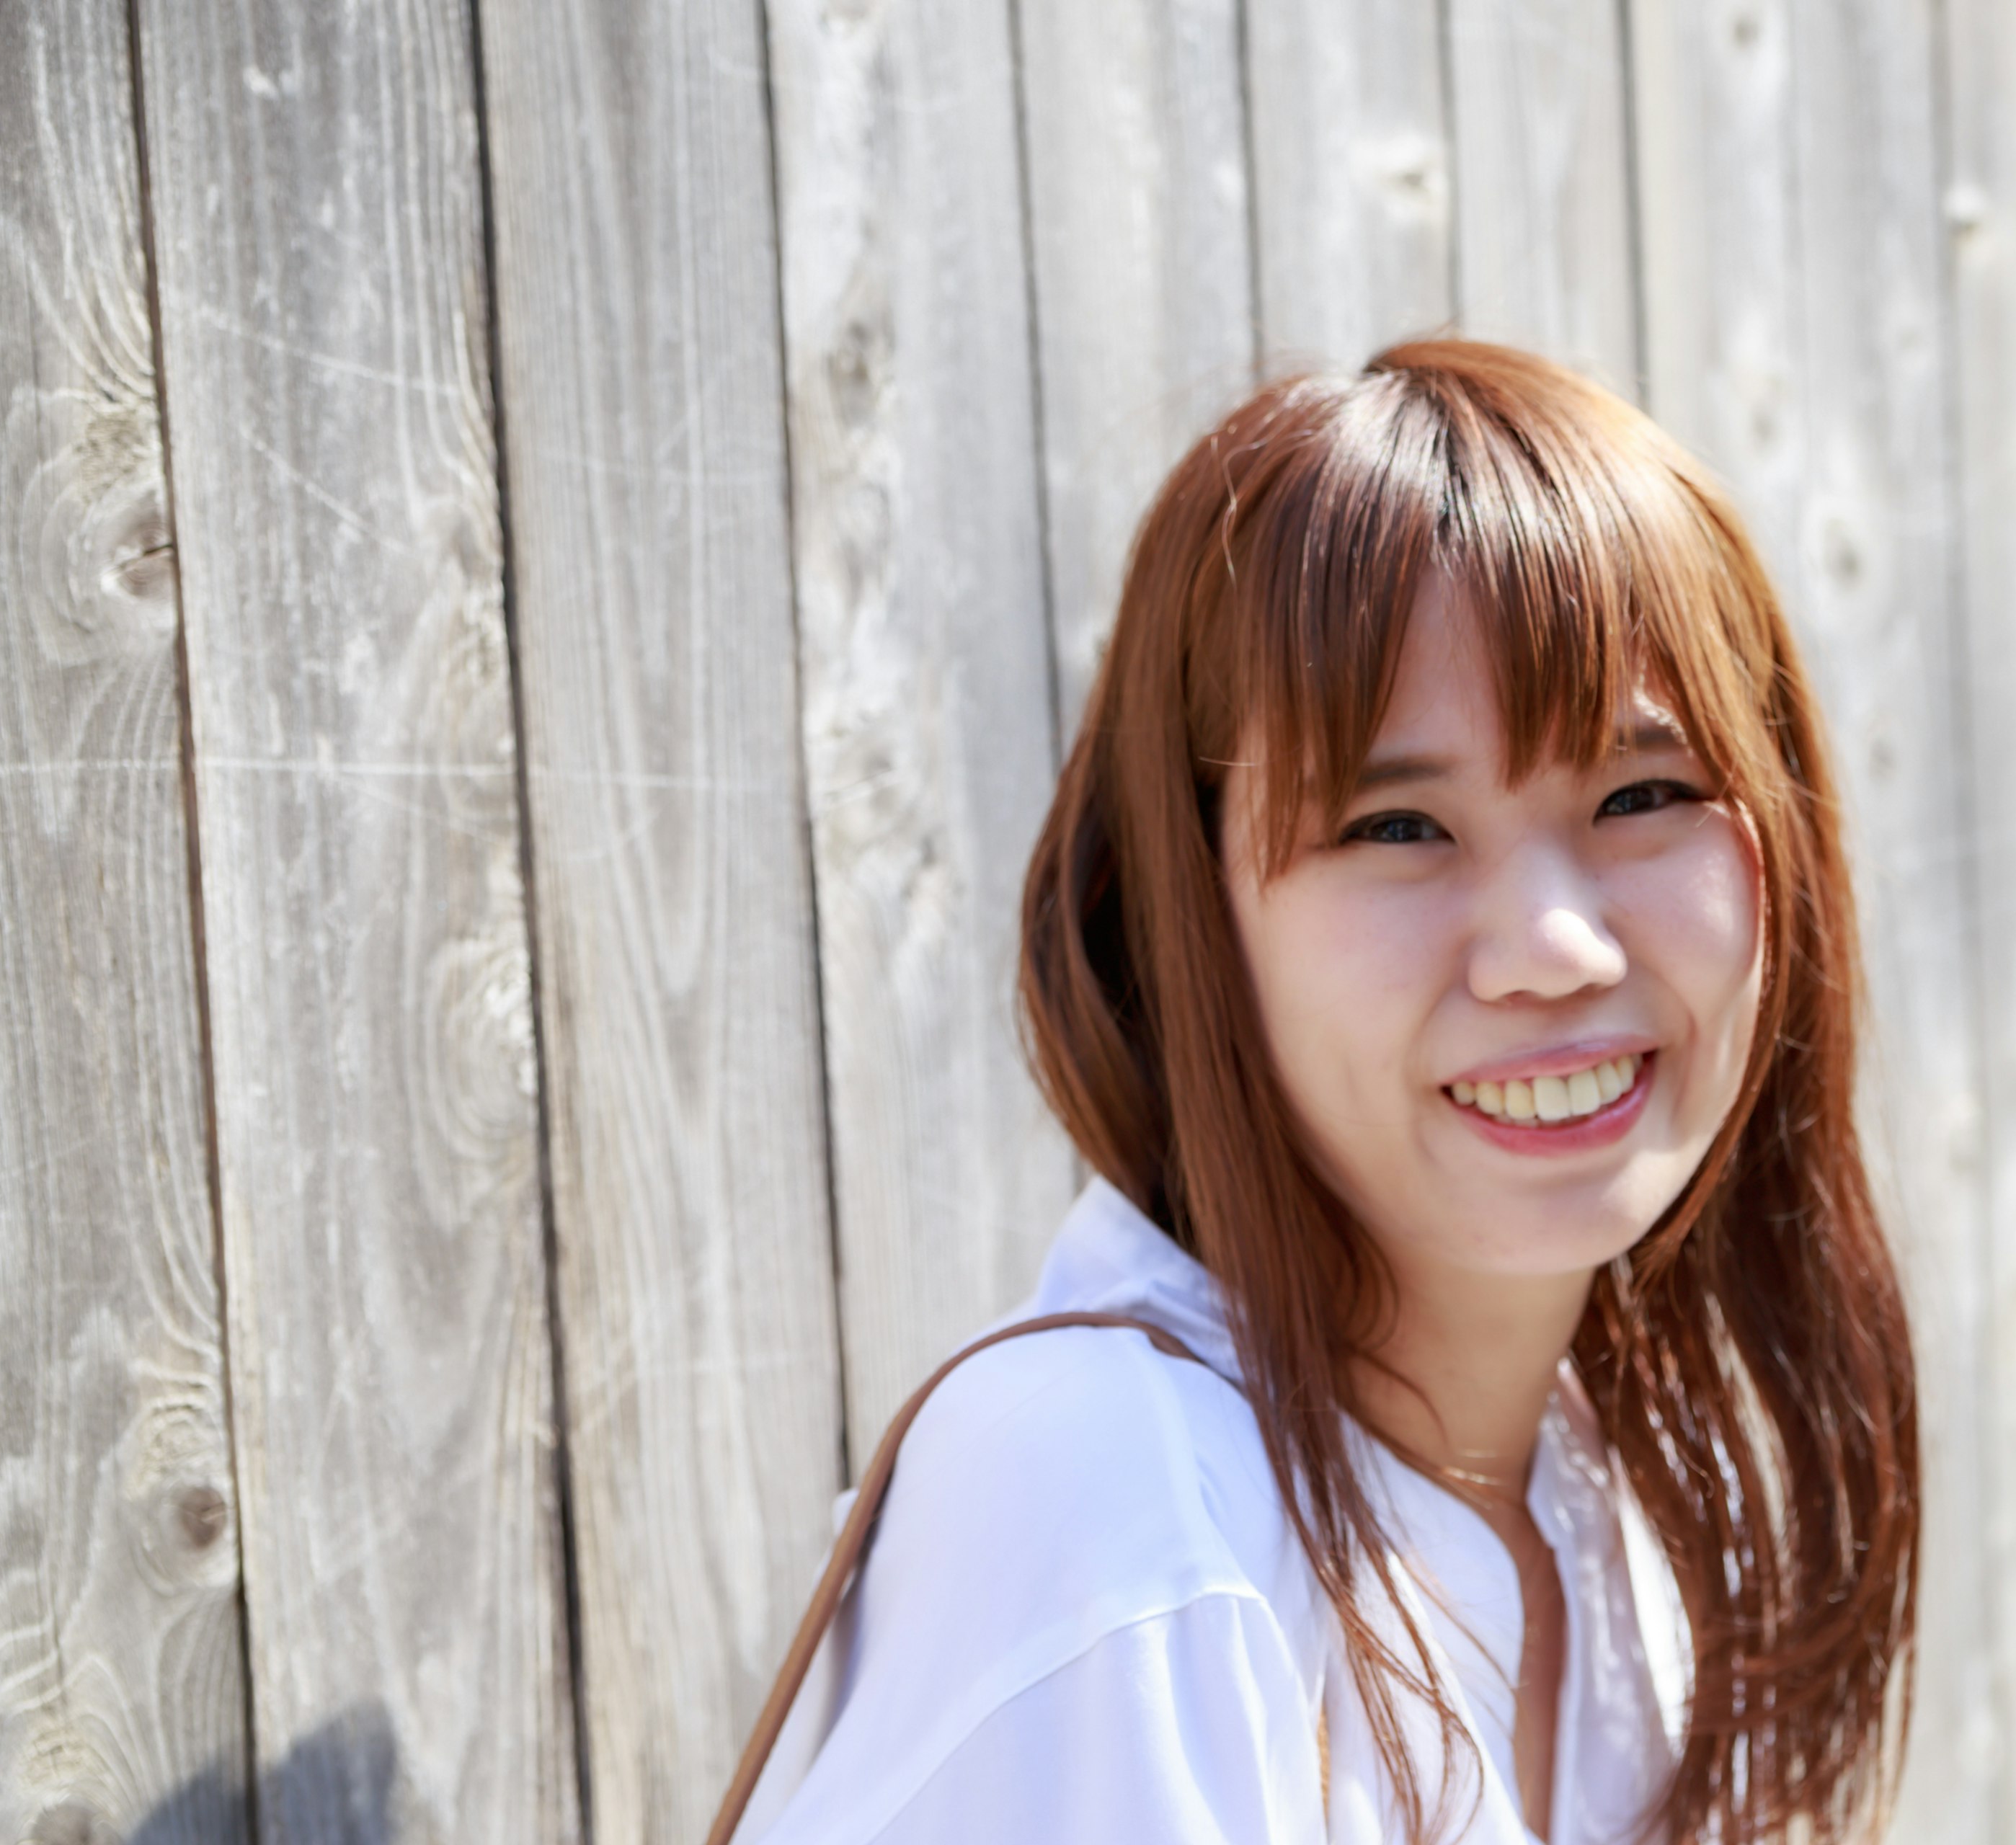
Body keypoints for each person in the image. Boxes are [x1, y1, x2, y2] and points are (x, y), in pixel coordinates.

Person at [749, 342, 1920, 1844]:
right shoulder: (1121, 1514)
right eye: (1399, 824)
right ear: (1178, 916)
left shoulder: (1608, 1502)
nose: (1555, 947)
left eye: (1641, 794)